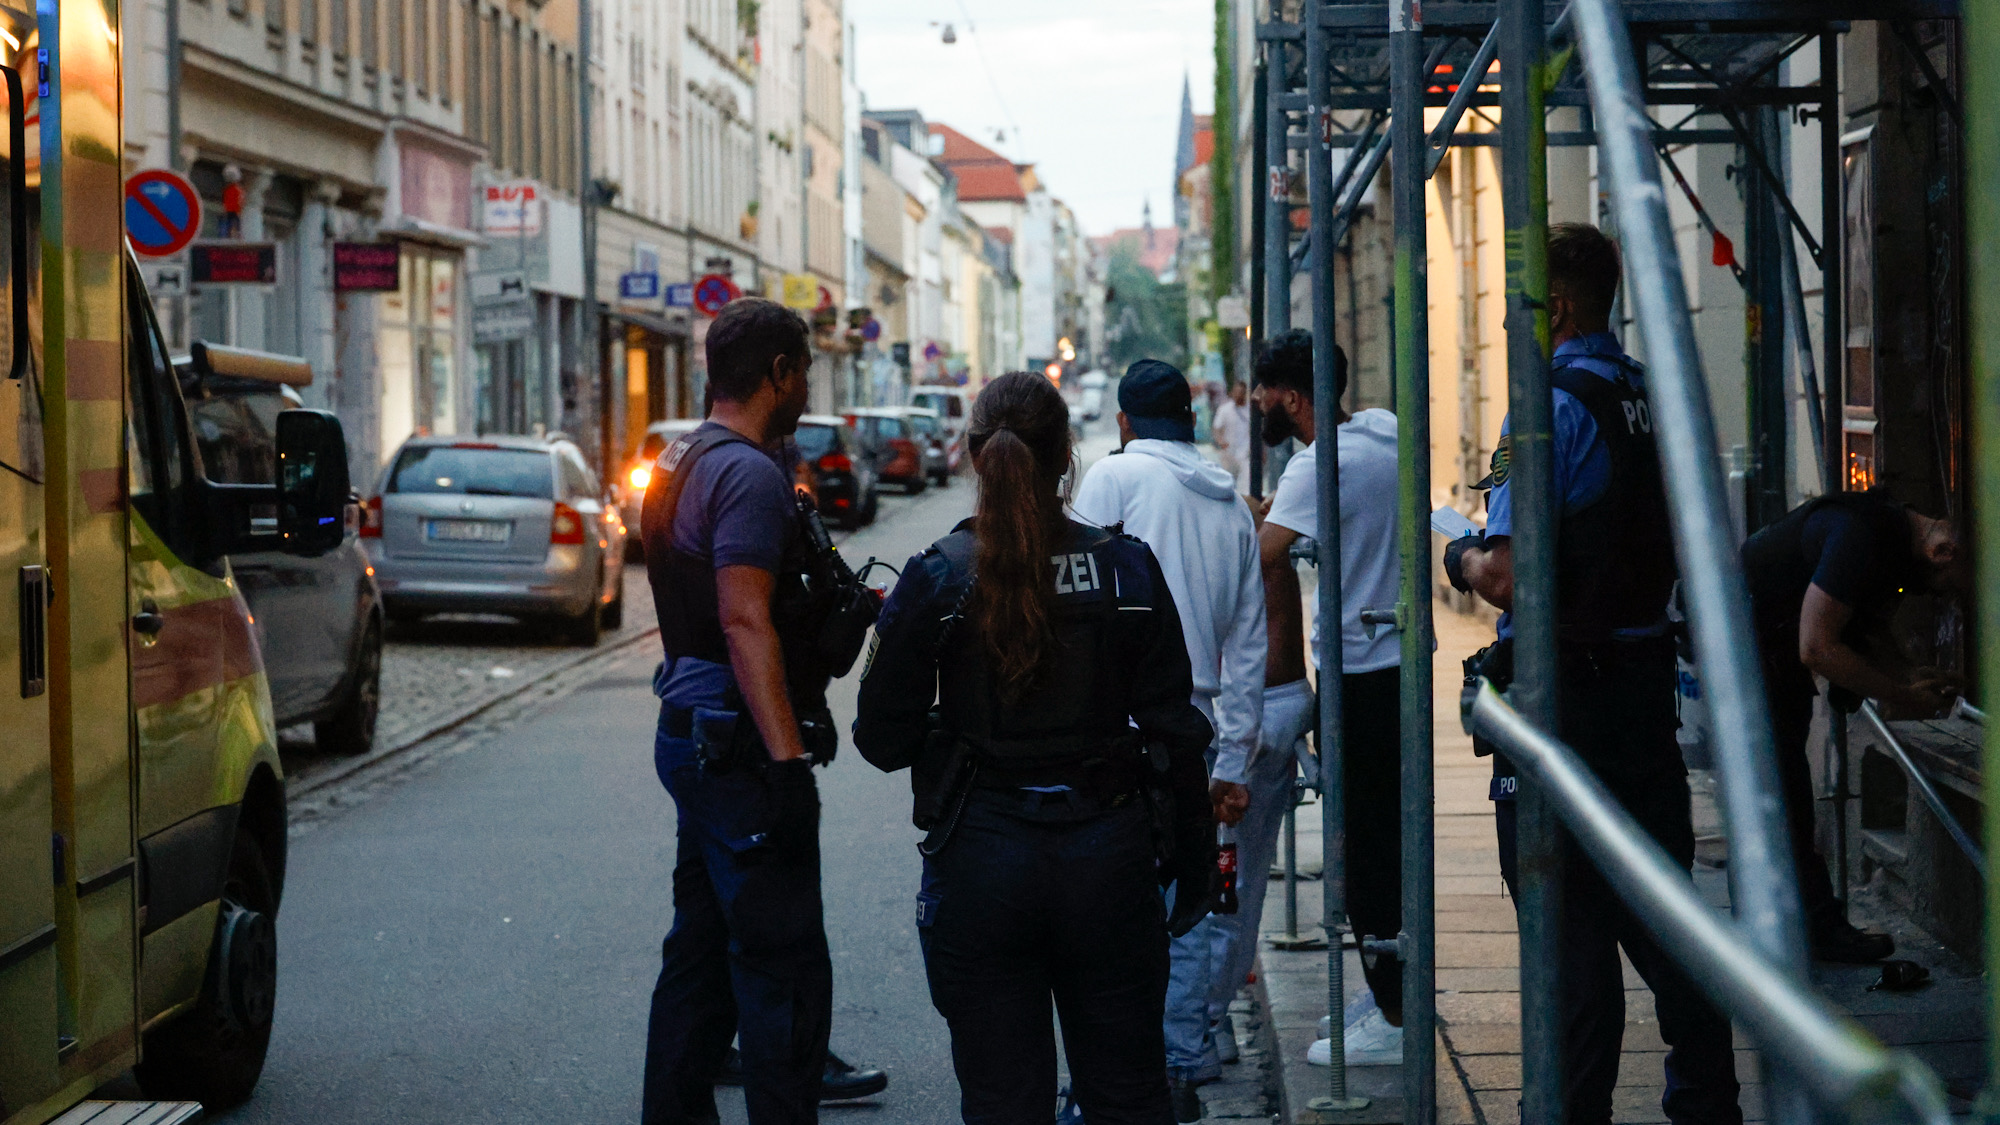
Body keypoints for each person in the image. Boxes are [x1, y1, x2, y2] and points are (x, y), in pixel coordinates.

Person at [854, 371, 1218, 1125]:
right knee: (1127, 1096)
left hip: (982, 864)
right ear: (1067, 459)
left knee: (1002, 1102)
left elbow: (879, 738)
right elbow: (1176, 729)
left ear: (971, 453)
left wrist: (948, 740)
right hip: (1111, 860)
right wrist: (1193, 864)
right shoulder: (1127, 570)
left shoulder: (938, 576)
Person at [1445, 224, 1741, 1124]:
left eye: (1515, 306)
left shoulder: (1543, 408)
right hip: (1644, 682)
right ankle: (1706, 1101)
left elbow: (1504, 569)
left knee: (1568, 941)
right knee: (1665, 912)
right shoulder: (1654, 393)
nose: (1504, 324)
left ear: (1557, 306)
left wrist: (1457, 555)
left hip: (1565, 696)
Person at [639, 297, 885, 1125]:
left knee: (701, 958)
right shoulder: (746, 474)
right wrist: (785, 762)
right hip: (740, 748)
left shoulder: (681, 458)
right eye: (805, 368)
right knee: (781, 967)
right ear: (777, 374)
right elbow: (744, 619)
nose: (809, 383)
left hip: (693, 731)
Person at [1072, 358, 1266, 1119]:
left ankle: (1114, 1076)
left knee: (1109, 908)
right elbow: (1250, 642)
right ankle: (1183, 1053)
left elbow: (1073, 597)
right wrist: (1235, 756)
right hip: (1198, 726)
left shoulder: (1112, 483)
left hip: (1117, 724)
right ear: (1190, 420)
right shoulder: (1231, 504)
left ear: (1124, 422)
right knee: (1189, 898)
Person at [1247, 330, 1406, 1067]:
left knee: (1363, 845)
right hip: (1399, 658)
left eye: (1262, 390)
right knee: (1387, 834)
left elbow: (1260, 554)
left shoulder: (1318, 466)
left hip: (1360, 670)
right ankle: (1392, 984)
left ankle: (1399, 1016)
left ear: (1290, 394)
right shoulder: (1379, 434)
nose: (1255, 403)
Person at [1741, 490, 1967, 963]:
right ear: (1942, 551)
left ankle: (1789, 929)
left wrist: (1908, 674)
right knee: (1781, 794)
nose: (1943, 595)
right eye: (1947, 584)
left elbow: (1861, 623)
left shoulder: (1888, 537)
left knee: (1782, 794)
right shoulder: (1860, 537)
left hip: (1767, 647)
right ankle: (1800, 932)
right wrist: (1902, 695)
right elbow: (1818, 647)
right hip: (1751, 650)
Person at [1212, 381, 1252, 494]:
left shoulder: (1251, 410)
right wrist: (1220, 441)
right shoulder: (1225, 409)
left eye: (1241, 392)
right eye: (1236, 392)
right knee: (1228, 484)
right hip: (1229, 452)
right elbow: (1216, 428)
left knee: (1246, 485)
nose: (1238, 395)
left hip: (1245, 453)